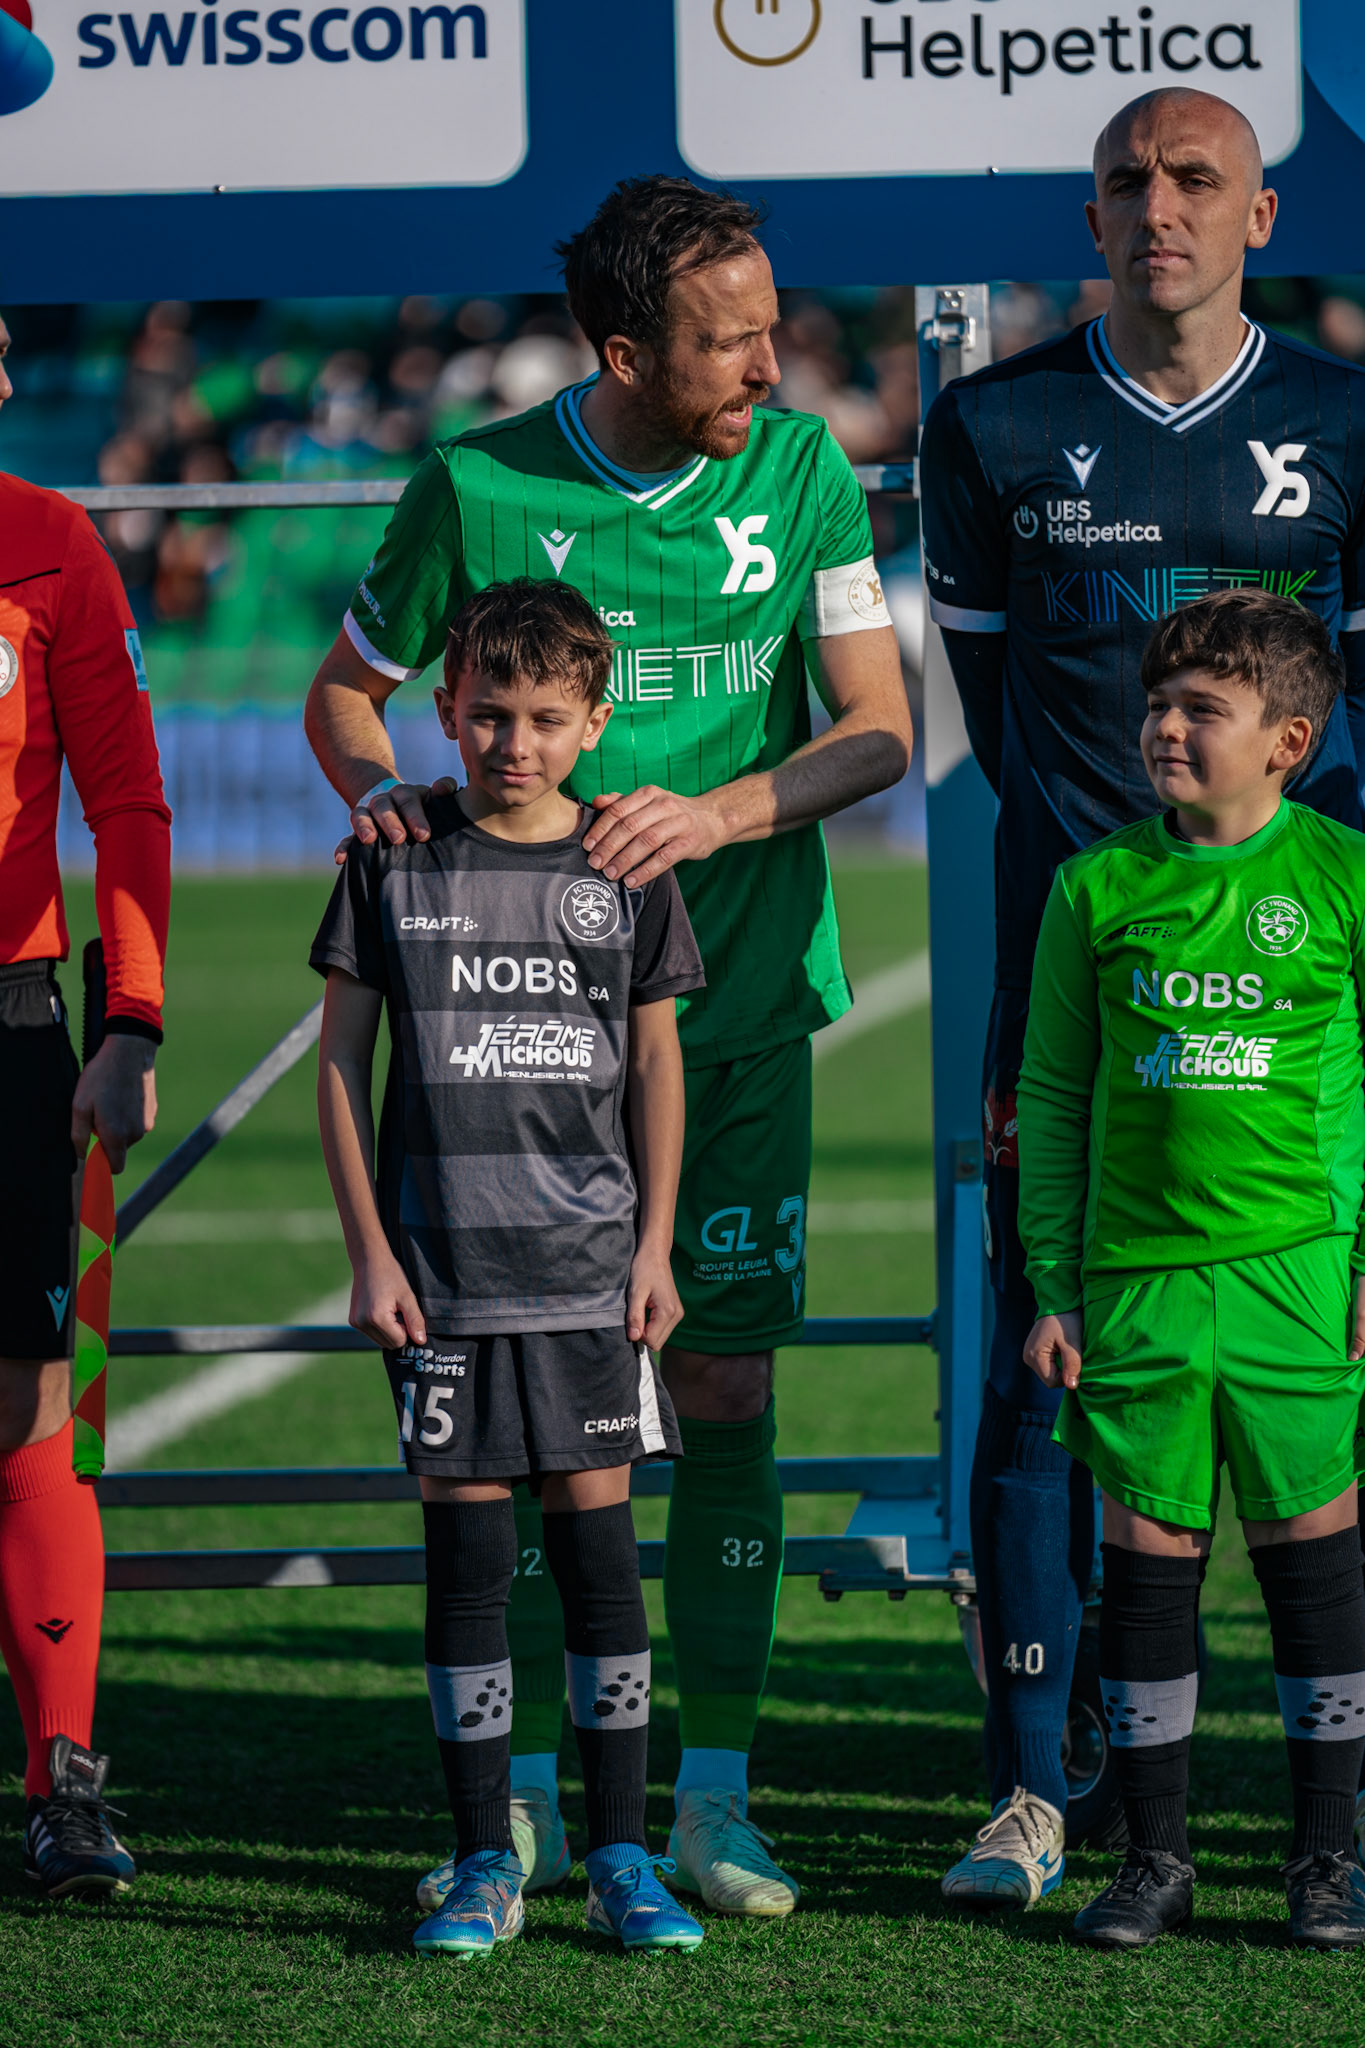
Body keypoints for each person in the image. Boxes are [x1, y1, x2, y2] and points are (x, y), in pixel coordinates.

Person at [304, 175, 911, 1917]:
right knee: (526, 1439)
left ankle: (709, 1796)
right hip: (512, 1064)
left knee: (720, 1387)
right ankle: (537, 1808)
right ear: (625, 350)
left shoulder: (799, 472)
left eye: (771, 325)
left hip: (731, 1019)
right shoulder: (480, 483)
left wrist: (717, 815)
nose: (768, 363)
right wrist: (388, 809)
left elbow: (871, 733)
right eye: (730, 341)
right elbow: (345, 694)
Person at [919, 88, 1365, 1906]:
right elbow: (984, 702)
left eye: (1193, 180)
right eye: (1123, 180)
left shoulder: (1342, 415)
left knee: (1314, 1408)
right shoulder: (993, 422)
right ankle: (1044, 1784)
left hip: (1290, 1011)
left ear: (1260, 212)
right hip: (1082, 984)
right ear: (1087, 213)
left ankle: (1316, 1823)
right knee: (1048, 1368)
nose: (1154, 206)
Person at [312, 578, 708, 1956]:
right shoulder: (390, 857)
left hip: (592, 1278)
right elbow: (339, 1069)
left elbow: (654, 1062)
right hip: (445, 1278)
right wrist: (370, 1255)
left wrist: (653, 1248)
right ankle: (484, 1856)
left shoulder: (624, 869)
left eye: (546, 719)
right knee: (470, 1563)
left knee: (602, 1568)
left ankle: (618, 1855)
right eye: (489, 714)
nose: (514, 743)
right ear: (445, 711)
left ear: (596, 723)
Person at [1019, 588, 1365, 1952]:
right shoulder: (1093, 886)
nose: (1163, 727)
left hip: (1293, 1273)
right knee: (1147, 1567)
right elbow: (1051, 1097)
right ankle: (1154, 1860)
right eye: (1155, 705)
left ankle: (1323, 1863)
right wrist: (1054, 1285)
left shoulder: (1341, 875)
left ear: (1285, 739)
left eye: (1197, 711)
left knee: (1310, 1561)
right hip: (1137, 1285)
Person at [0, 315, 172, 1896]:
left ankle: (64, 1782)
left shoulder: (51, 546)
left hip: (12, 1033)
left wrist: (130, 1016)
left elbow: (123, 795)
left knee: (28, 1417)